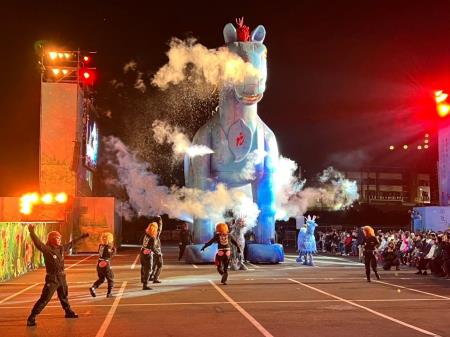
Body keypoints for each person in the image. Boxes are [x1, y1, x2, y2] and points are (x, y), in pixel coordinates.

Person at [26, 224, 88, 327]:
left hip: (62, 277)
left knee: (63, 296)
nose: (59, 240)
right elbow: (37, 243)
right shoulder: (47, 250)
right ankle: (31, 317)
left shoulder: (61, 248)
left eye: (60, 238)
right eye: (57, 238)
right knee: (45, 299)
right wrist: (32, 232)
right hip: (52, 278)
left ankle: (68, 312)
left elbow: (72, 243)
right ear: (51, 240)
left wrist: (82, 237)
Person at [89, 232, 116, 298]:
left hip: (99, 263)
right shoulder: (108, 247)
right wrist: (114, 251)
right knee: (111, 278)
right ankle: (109, 293)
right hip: (105, 264)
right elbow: (109, 256)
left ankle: (93, 287)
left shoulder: (101, 245)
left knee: (101, 279)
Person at [149, 216, 163, 283]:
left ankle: (151, 276)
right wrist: (160, 219)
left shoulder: (149, 235)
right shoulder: (156, 236)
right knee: (160, 265)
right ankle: (156, 278)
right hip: (156, 252)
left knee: (154, 264)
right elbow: (160, 228)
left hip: (152, 252)